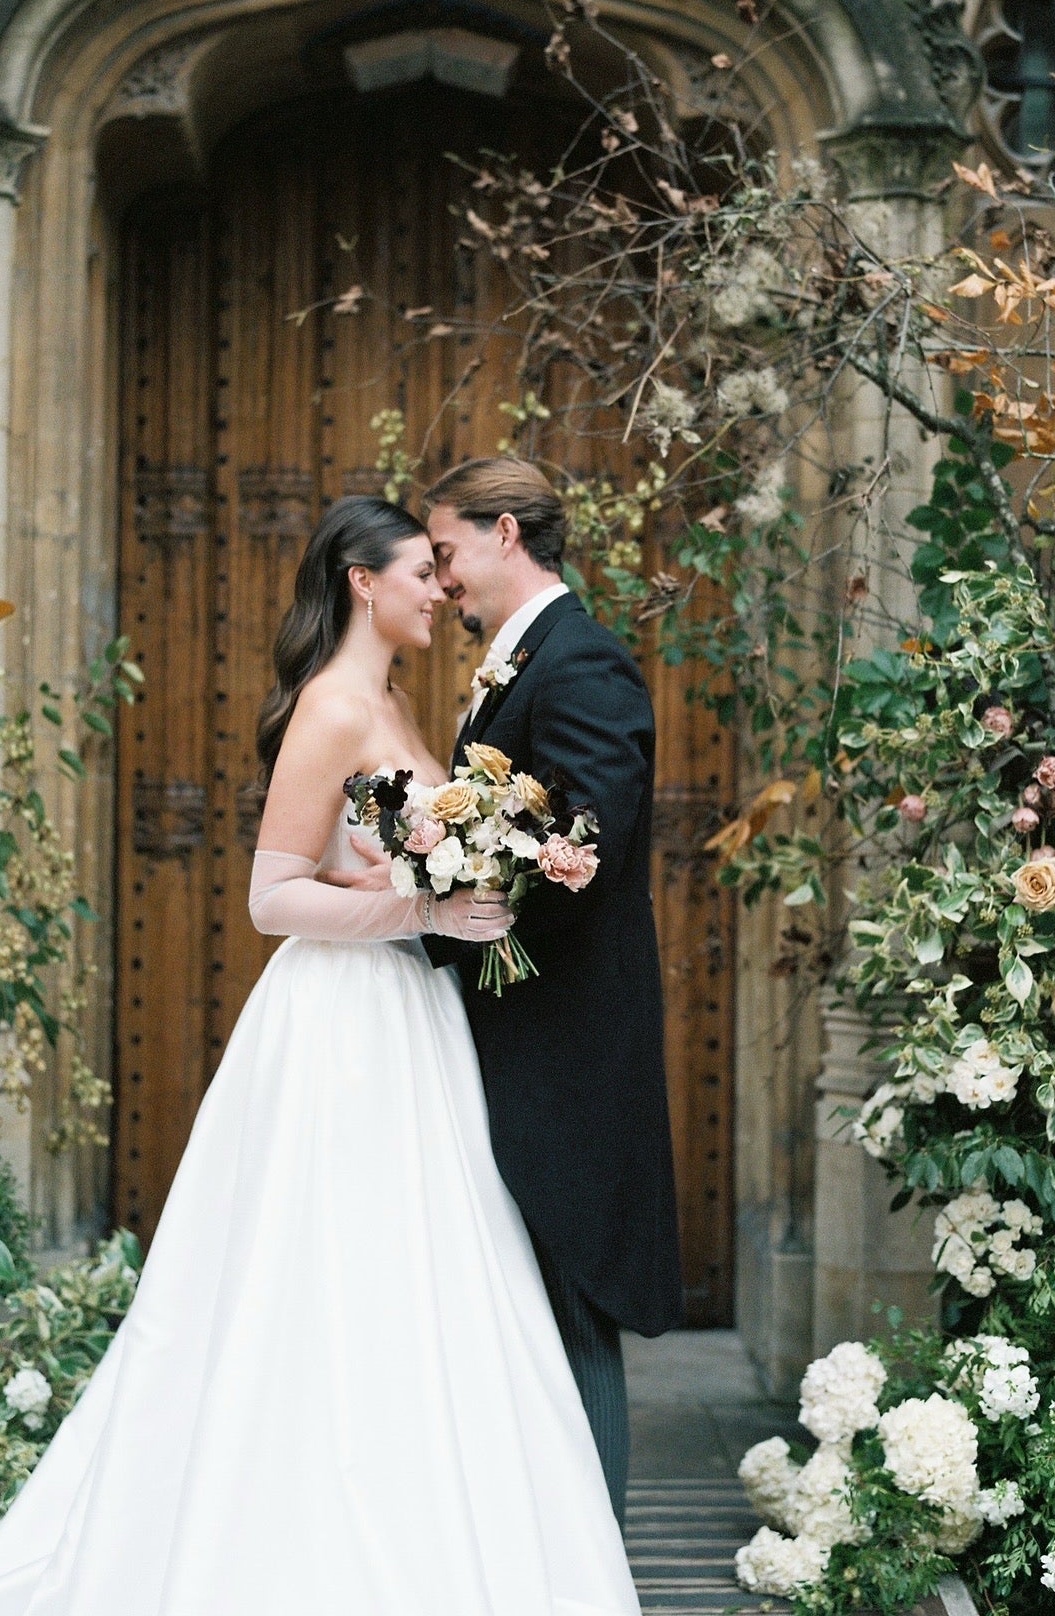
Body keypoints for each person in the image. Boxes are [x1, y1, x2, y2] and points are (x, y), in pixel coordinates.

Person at [0, 495, 641, 1616]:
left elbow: (369, 862)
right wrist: (419, 915)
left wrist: (429, 889)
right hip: (341, 1026)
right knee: (325, 1272)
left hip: (414, 1023)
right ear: (364, 581)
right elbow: (271, 896)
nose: (437, 590)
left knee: (427, 1271)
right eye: (419, 571)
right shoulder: (330, 706)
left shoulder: (406, 699)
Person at [388, 458, 680, 1524]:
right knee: (532, 1310)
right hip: (522, 1038)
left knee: (570, 1307)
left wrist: (458, 896)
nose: (443, 578)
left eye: (450, 553)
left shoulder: (583, 662)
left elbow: (587, 839)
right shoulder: (528, 662)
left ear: (505, 534)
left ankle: (593, 1566)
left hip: (566, 1048)